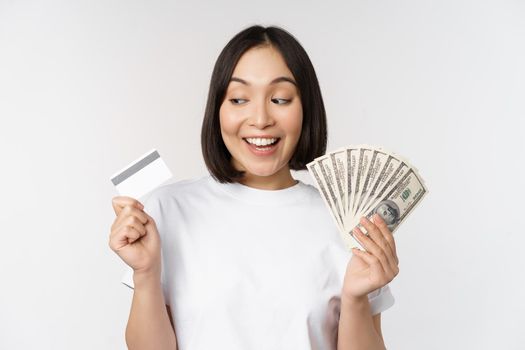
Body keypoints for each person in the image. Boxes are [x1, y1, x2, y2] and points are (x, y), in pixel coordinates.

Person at [109, 25, 400, 350]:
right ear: (217, 110)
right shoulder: (168, 209)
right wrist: (146, 273)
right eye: (239, 99)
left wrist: (356, 300)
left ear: (306, 110)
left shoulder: (348, 224)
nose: (260, 118)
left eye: (280, 99)